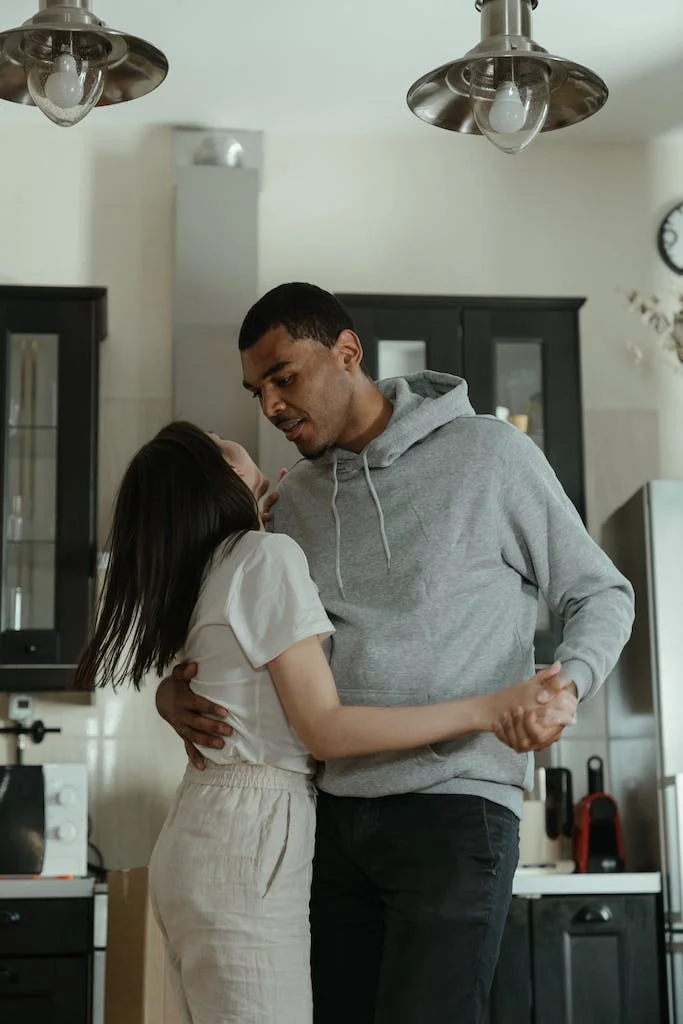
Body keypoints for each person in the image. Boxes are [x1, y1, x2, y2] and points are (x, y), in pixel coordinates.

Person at [156, 284, 635, 1024]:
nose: (272, 406)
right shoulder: (294, 502)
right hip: (332, 822)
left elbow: (600, 592)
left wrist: (565, 685)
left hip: (455, 809)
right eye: (258, 390)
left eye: (284, 377)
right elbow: (241, 622)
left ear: (347, 353)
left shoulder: (490, 456)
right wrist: (170, 689)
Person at [74, 420, 575, 1024]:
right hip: (251, 837)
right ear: (212, 480)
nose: (248, 435)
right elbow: (326, 730)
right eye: (224, 446)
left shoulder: (208, 570)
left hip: (201, 832)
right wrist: (489, 707)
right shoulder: (263, 556)